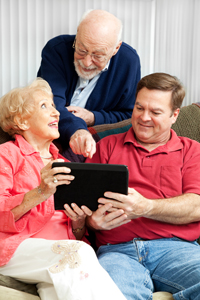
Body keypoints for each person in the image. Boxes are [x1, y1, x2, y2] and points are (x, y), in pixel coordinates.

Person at [0, 78, 127, 300]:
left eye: (54, 105)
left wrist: (78, 223)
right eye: (44, 106)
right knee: (78, 253)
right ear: (21, 121)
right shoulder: (7, 154)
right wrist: (40, 192)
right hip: (16, 248)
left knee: (66, 286)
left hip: (57, 255)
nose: (56, 113)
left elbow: (76, 234)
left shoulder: (66, 165)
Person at [85, 73, 200, 300]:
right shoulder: (106, 146)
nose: (143, 118)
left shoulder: (192, 150)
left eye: (155, 112)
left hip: (178, 249)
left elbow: (196, 206)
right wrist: (90, 222)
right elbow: (82, 207)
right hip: (117, 251)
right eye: (139, 108)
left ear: (174, 115)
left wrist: (146, 207)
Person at [37, 9, 141, 159]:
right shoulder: (57, 50)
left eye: (97, 56)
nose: (86, 62)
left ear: (115, 49)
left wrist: (94, 117)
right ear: (77, 34)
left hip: (98, 140)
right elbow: (50, 104)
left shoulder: (129, 62)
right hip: (53, 132)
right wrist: (77, 129)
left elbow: (128, 116)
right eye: (81, 50)